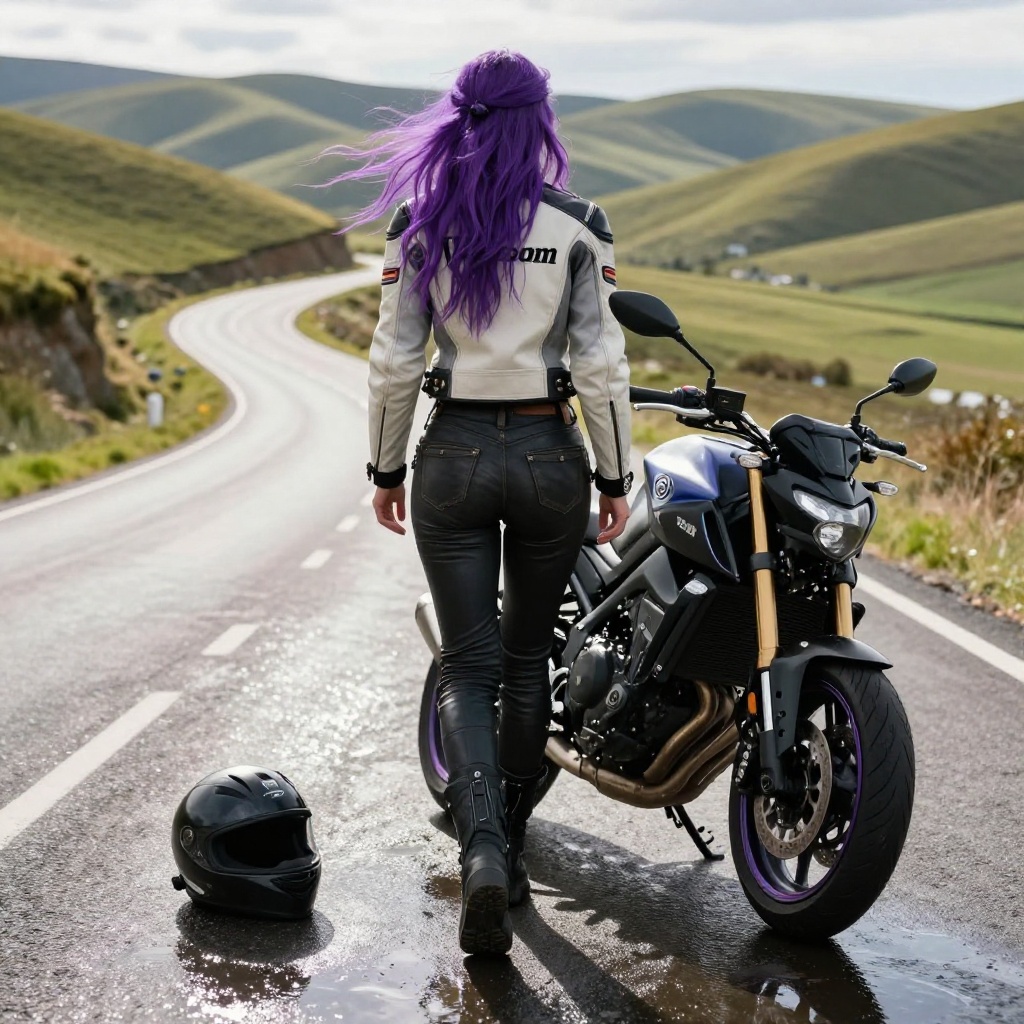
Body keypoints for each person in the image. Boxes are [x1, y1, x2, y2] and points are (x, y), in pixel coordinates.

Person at [330, 49, 632, 955]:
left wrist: (385, 470)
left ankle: (484, 852)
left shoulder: (422, 226)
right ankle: (511, 844)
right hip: (548, 454)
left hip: (453, 452)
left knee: (468, 667)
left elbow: (393, 360)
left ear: (459, 117)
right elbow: (601, 365)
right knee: (528, 658)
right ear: (542, 120)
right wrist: (615, 479)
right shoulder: (580, 226)